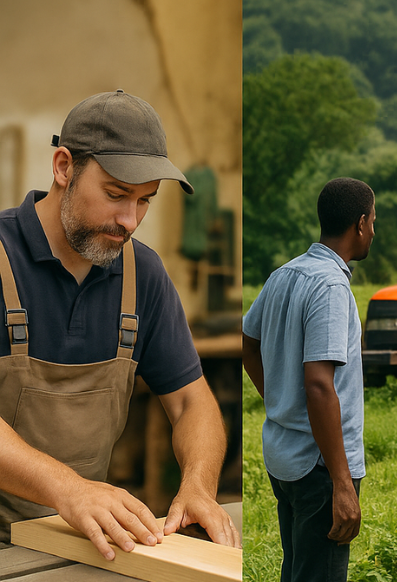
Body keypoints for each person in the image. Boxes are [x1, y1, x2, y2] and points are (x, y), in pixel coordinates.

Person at [0, 90, 238, 558]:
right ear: (64, 167)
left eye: (145, 201)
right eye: (115, 195)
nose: (129, 220)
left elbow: (193, 402)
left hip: (76, 544)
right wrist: (69, 488)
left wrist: (199, 486)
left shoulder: (141, 274)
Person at [242, 178, 375, 582]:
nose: (373, 230)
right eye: (373, 221)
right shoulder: (332, 287)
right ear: (360, 223)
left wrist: (280, 402)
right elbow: (319, 385)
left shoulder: (285, 274)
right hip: (319, 467)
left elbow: (248, 341)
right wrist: (341, 484)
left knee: (299, 571)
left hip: (285, 459)